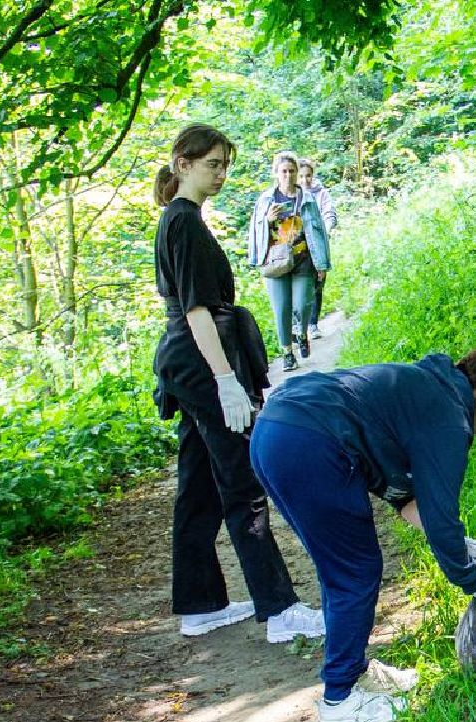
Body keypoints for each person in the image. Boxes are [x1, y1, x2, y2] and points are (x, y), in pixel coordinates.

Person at [249, 346, 476, 722]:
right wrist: (473, 580)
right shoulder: (450, 416)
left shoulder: (425, 389)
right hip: (310, 442)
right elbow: (440, 511)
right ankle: (340, 700)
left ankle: (353, 673)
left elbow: (411, 504)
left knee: (339, 569)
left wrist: (461, 545)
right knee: (355, 571)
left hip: (275, 432)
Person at [151, 124, 326, 644]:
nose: (221, 175)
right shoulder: (181, 223)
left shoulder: (182, 221)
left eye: (226, 165)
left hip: (193, 363)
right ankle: (279, 609)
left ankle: (200, 604)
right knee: (242, 484)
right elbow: (198, 311)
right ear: (183, 163)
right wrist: (225, 380)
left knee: (199, 483)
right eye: (212, 165)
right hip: (205, 363)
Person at [248, 151, 331, 372]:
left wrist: (322, 265)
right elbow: (255, 233)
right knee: (281, 308)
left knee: (303, 304)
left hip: (303, 259)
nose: (288, 175)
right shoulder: (266, 200)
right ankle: (287, 352)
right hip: (276, 261)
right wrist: (268, 220)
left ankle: (301, 332)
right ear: (276, 173)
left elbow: (319, 231)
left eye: (292, 171)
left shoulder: (308, 198)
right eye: (283, 171)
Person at [297, 158, 338, 339]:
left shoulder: (321, 193)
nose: (305, 180)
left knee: (317, 284)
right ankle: (298, 325)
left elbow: (329, 213)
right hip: (299, 247)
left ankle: (313, 325)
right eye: (301, 176)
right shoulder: (292, 195)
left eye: (308, 176)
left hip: (318, 244)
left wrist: (325, 231)